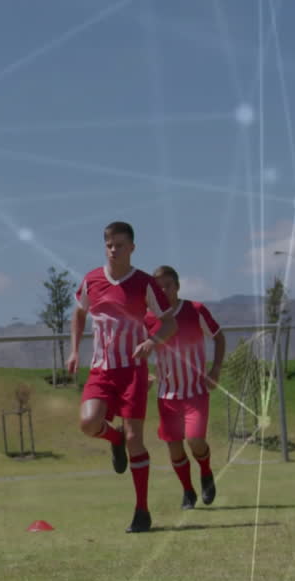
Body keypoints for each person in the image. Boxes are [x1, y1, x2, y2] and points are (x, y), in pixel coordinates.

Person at [67, 222, 177, 533]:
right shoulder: (91, 280)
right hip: (101, 369)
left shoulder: (144, 283)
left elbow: (169, 323)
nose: (113, 250)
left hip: (132, 371)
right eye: (109, 245)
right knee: (88, 423)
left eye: (119, 245)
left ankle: (142, 510)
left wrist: (152, 342)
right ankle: (113, 439)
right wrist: (74, 351)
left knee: (135, 439)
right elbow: (79, 314)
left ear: (132, 248)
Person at [145, 265, 226, 508]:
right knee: (174, 447)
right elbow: (138, 349)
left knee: (195, 440)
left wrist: (215, 369)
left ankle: (206, 473)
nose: (164, 291)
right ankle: (188, 491)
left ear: (177, 286)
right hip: (167, 395)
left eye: (168, 286)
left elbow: (219, 337)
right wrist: (145, 374)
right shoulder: (149, 318)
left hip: (195, 392)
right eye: (159, 288)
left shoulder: (195, 310)